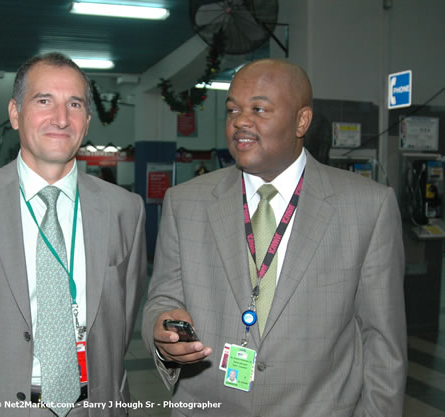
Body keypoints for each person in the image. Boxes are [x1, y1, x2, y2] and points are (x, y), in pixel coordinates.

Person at [142, 59, 406, 416]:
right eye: (233, 109)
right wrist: (161, 333)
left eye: (259, 108)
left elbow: (382, 343)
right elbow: (161, 298)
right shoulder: (185, 202)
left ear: (301, 121)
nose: (240, 120)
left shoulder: (367, 207)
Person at [0, 52, 147, 417]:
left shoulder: (125, 210)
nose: (61, 118)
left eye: (74, 104)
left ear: (87, 121)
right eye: (44, 101)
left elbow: (123, 319)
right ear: (15, 113)